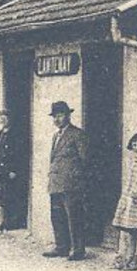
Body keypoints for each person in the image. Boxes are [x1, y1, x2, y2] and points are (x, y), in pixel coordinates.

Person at [43, 100, 90, 261]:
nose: (57, 119)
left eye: (60, 115)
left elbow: (85, 160)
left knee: (74, 217)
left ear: (68, 116)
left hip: (71, 184)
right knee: (57, 216)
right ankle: (61, 247)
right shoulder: (56, 136)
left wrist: (77, 179)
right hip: (56, 183)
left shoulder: (77, 134)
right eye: (54, 116)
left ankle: (78, 249)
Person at [0, 109, 28, 231]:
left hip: (9, 171)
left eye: (6, 117)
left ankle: (13, 221)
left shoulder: (15, 134)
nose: (3, 120)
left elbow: (20, 154)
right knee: (2, 197)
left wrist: (15, 170)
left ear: (10, 119)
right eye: (1, 117)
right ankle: (4, 221)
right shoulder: (0, 134)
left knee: (11, 196)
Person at [112, 132, 137, 270]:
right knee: (126, 229)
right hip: (129, 198)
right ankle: (123, 258)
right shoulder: (132, 161)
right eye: (134, 144)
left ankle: (132, 258)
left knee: (135, 229)